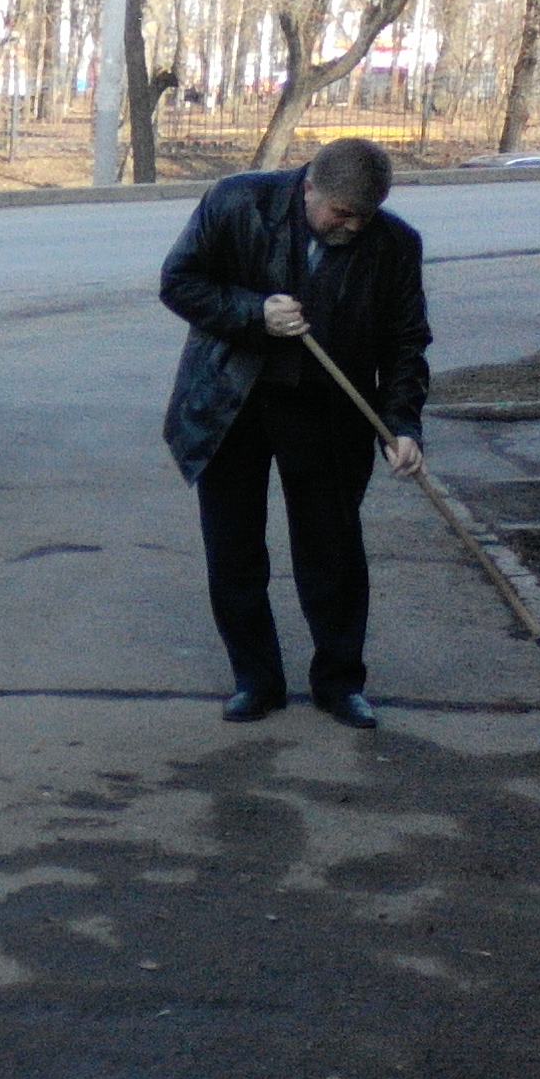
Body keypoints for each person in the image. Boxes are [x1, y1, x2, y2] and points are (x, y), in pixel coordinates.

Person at [160, 136, 430, 729]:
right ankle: (255, 680)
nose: (352, 228)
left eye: (364, 217)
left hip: (328, 412)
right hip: (231, 401)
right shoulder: (238, 203)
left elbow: (407, 343)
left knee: (332, 550)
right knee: (234, 549)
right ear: (309, 186)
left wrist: (402, 425)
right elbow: (179, 282)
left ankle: (339, 683)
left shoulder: (394, 244)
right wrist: (253, 312)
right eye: (340, 213)